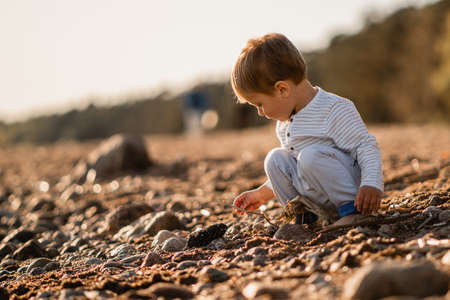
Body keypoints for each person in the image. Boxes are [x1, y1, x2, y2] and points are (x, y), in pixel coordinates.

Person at [231, 33, 383, 227]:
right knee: (275, 158)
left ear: (282, 90)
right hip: (317, 193)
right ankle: (304, 215)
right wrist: (261, 193)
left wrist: (371, 184)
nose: (260, 113)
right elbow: (294, 172)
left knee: (310, 156)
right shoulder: (285, 124)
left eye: (259, 104)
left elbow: (365, 146)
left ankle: (353, 212)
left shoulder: (333, 108)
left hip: (352, 192)